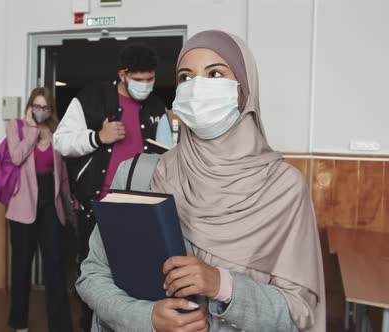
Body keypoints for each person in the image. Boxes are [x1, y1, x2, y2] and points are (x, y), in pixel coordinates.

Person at [76, 30, 325, 331]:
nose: (197, 87)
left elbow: (300, 314)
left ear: (243, 89)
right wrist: (147, 318)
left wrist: (224, 285)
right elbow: (93, 275)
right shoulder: (140, 174)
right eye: (185, 77)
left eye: (215, 73)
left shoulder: (284, 188)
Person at [53, 44, 167, 331]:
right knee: (95, 278)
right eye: (138, 79)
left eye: (149, 79)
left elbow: (170, 153)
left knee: (140, 277)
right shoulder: (91, 98)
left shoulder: (156, 107)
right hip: (97, 208)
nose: (145, 86)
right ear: (122, 74)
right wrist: (97, 137)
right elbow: (61, 141)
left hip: (143, 209)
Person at [5, 87, 73, 332]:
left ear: (51, 110)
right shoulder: (16, 127)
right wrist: (32, 130)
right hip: (23, 207)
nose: (40, 111)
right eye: (36, 106)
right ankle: (19, 322)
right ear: (29, 106)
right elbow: (16, 157)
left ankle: (61, 326)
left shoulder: (56, 133)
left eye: (45, 107)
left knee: (55, 265)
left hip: (50, 207)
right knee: (22, 266)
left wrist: (68, 206)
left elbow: (62, 174)